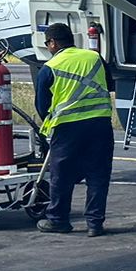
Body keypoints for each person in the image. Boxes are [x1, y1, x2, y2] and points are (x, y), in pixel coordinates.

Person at [34, 22, 114, 236]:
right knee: (98, 175)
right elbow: (110, 85)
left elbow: (42, 105)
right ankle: (95, 224)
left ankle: (58, 220)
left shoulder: (49, 67)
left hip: (67, 128)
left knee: (62, 175)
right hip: (100, 124)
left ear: (52, 43)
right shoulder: (95, 58)